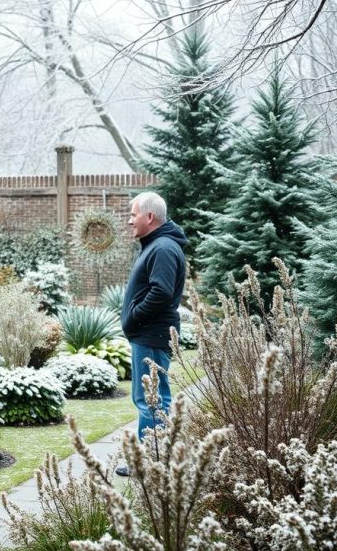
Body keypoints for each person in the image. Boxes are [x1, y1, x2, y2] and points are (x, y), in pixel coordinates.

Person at [117, 191, 188, 477]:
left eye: (133, 214)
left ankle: (151, 464)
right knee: (151, 399)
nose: (129, 220)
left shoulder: (162, 248)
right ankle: (154, 461)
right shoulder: (157, 246)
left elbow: (161, 292)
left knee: (152, 400)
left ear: (149, 216)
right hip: (148, 336)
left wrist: (134, 316)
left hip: (151, 336)